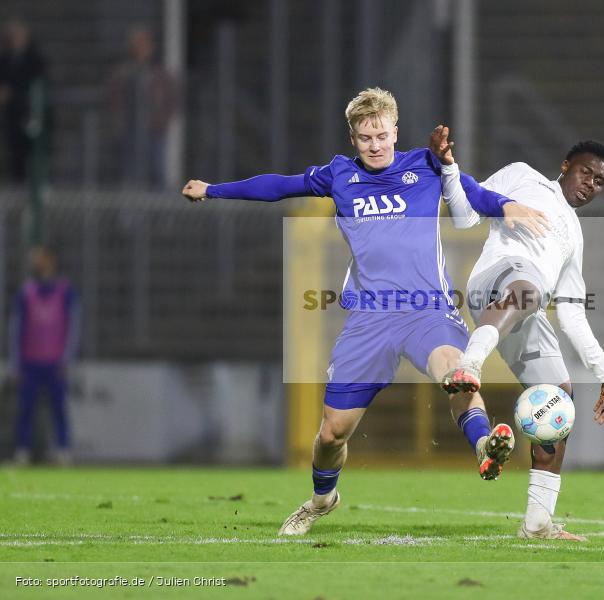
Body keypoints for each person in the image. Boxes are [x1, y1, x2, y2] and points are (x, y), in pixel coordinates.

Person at [182, 88, 548, 536]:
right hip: (370, 320)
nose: (375, 145)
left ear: (395, 132)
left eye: (381, 135)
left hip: (427, 310)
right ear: (353, 139)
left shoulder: (426, 164)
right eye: (365, 138)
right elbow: (279, 186)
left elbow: (471, 192)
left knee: (457, 372)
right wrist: (213, 190)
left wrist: (506, 205)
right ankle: (322, 498)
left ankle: (483, 447)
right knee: (331, 434)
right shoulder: (340, 175)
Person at [439, 138, 604, 541]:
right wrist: (449, 167)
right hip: (495, 281)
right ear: (565, 165)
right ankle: (468, 365)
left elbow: (572, 315)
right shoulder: (523, 176)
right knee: (528, 289)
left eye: (599, 181)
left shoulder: (574, 237)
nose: (590, 184)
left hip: (525, 307)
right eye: (586, 172)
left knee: (559, 401)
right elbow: (465, 215)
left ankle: (537, 523)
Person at [8, 247, 80, 465]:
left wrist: (67, 359)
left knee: (59, 408)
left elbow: (73, 326)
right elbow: (16, 329)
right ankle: (22, 450)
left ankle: (63, 449)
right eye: (34, 260)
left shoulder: (65, 291)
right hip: (30, 361)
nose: (37, 264)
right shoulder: (26, 292)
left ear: (51, 261)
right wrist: (16, 363)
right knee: (25, 408)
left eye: (41, 259)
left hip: (56, 361)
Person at [106, 27, 178, 188]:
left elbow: (172, 99)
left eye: (143, 44)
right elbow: (114, 98)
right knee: (129, 171)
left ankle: (159, 203)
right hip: (130, 130)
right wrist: (118, 121)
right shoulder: (123, 73)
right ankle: (130, 203)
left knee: (157, 170)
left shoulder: (159, 74)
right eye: (136, 45)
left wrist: (162, 121)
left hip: (154, 130)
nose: (140, 49)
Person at [0, 19, 47, 182]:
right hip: (12, 112)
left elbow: (37, 82)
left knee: (33, 147)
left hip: (29, 109)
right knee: (15, 149)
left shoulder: (34, 59)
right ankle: (17, 180)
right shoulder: (4, 59)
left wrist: (12, 92)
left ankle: (38, 181)